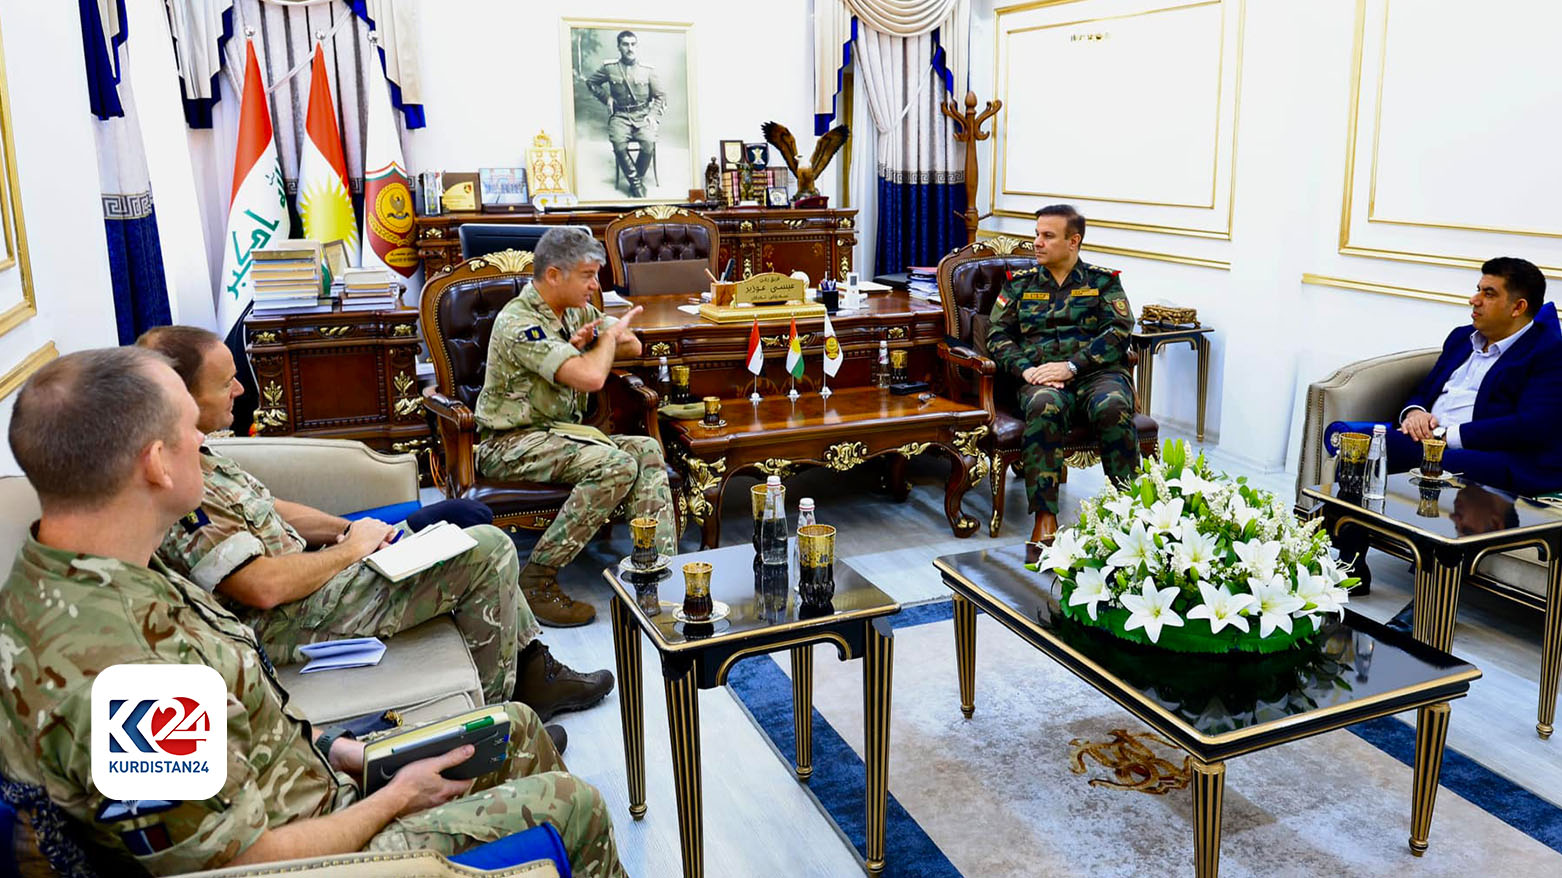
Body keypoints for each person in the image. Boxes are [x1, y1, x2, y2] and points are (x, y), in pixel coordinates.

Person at [0, 348, 627, 876]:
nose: (204, 442)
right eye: (190, 428)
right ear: (157, 464)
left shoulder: (108, 569)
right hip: (304, 855)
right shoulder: (130, 675)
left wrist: (348, 752)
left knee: (509, 727)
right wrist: (394, 798)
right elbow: (232, 866)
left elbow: (245, 730)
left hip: (314, 790)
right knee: (572, 803)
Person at [136, 326, 611, 723]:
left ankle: (532, 673)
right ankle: (496, 721)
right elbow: (260, 588)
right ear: (180, 395)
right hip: (284, 619)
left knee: (454, 536)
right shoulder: (175, 485)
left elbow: (271, 507)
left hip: (310, 582)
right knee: (485, 548)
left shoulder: (200, 453)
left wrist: (349, 531)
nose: (240, 390)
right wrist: (350, 551)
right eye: (226, 383)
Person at [1336, 257, 1562, 628]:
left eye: (1489, 293)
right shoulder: (1461, 338)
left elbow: (1533, 426)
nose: (1475, 300)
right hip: (1434, 440)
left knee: (1453, 470)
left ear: (1518, 307)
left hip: (1505, 457)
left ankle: (1429, 605)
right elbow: (1422, 392)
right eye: (1478, 289)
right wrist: (1414, 413)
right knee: (1359, 447)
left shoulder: (1548, 353)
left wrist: (1445, 438)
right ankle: (1349, 567)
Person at [475, 227, 677, 624]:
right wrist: (598, 344)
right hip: (510, 443)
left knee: (647, 449)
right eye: (587, 276)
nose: (595, 285)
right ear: (554, 275)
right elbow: (591, 378)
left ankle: (654, 575)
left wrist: (596, 341)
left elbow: (632, 345)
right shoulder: (519, 323)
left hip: (563, 435)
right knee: (615, 464)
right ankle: (537, 579)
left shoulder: (574, 311)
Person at [985, 204, 1139, 564]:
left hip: (1096, 374)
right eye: (1036, 234)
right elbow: (997, 335)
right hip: (1039, 377)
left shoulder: (1104, 282)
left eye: (1047, 236)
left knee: (1114, 406)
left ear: (1074, 241)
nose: (1036, 242)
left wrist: (1072, 366)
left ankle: (1131, 510)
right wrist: (1025, 370)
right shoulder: (1019, 285)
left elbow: (1118, 331)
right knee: (1044, 406)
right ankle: (1044, 516)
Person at [586, 29, 666, 197]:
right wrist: (606, 97)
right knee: (619, 144)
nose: (630, 48)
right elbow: (591, 82)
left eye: (633, 44)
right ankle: (637, 187)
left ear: (637, 46)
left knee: (648, 143)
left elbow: (660, 96)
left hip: (643, 116)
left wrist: (652, 115)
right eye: (625, 44)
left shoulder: (648, 70)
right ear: (619, 47)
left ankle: (635, 180)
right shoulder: (610, 68)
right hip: (620, 116)